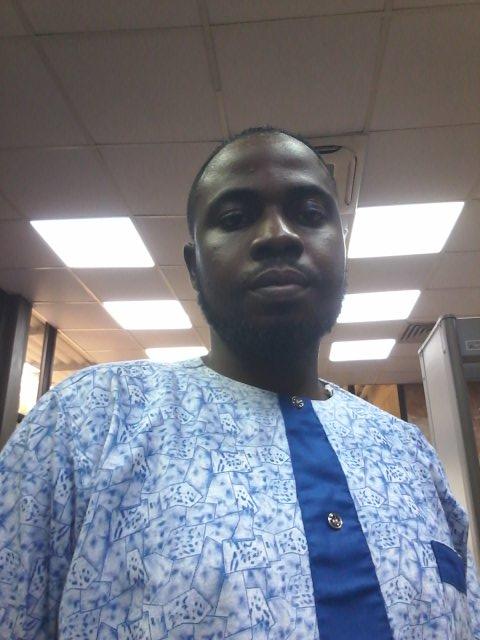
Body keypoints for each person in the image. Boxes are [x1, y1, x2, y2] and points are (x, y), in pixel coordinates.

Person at [0, 126, 478, 639]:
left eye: (309, 213)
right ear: (194, 267)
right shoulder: (88, 421)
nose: (279, 235)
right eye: (234, 218)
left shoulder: (407, 451)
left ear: (341, 250)